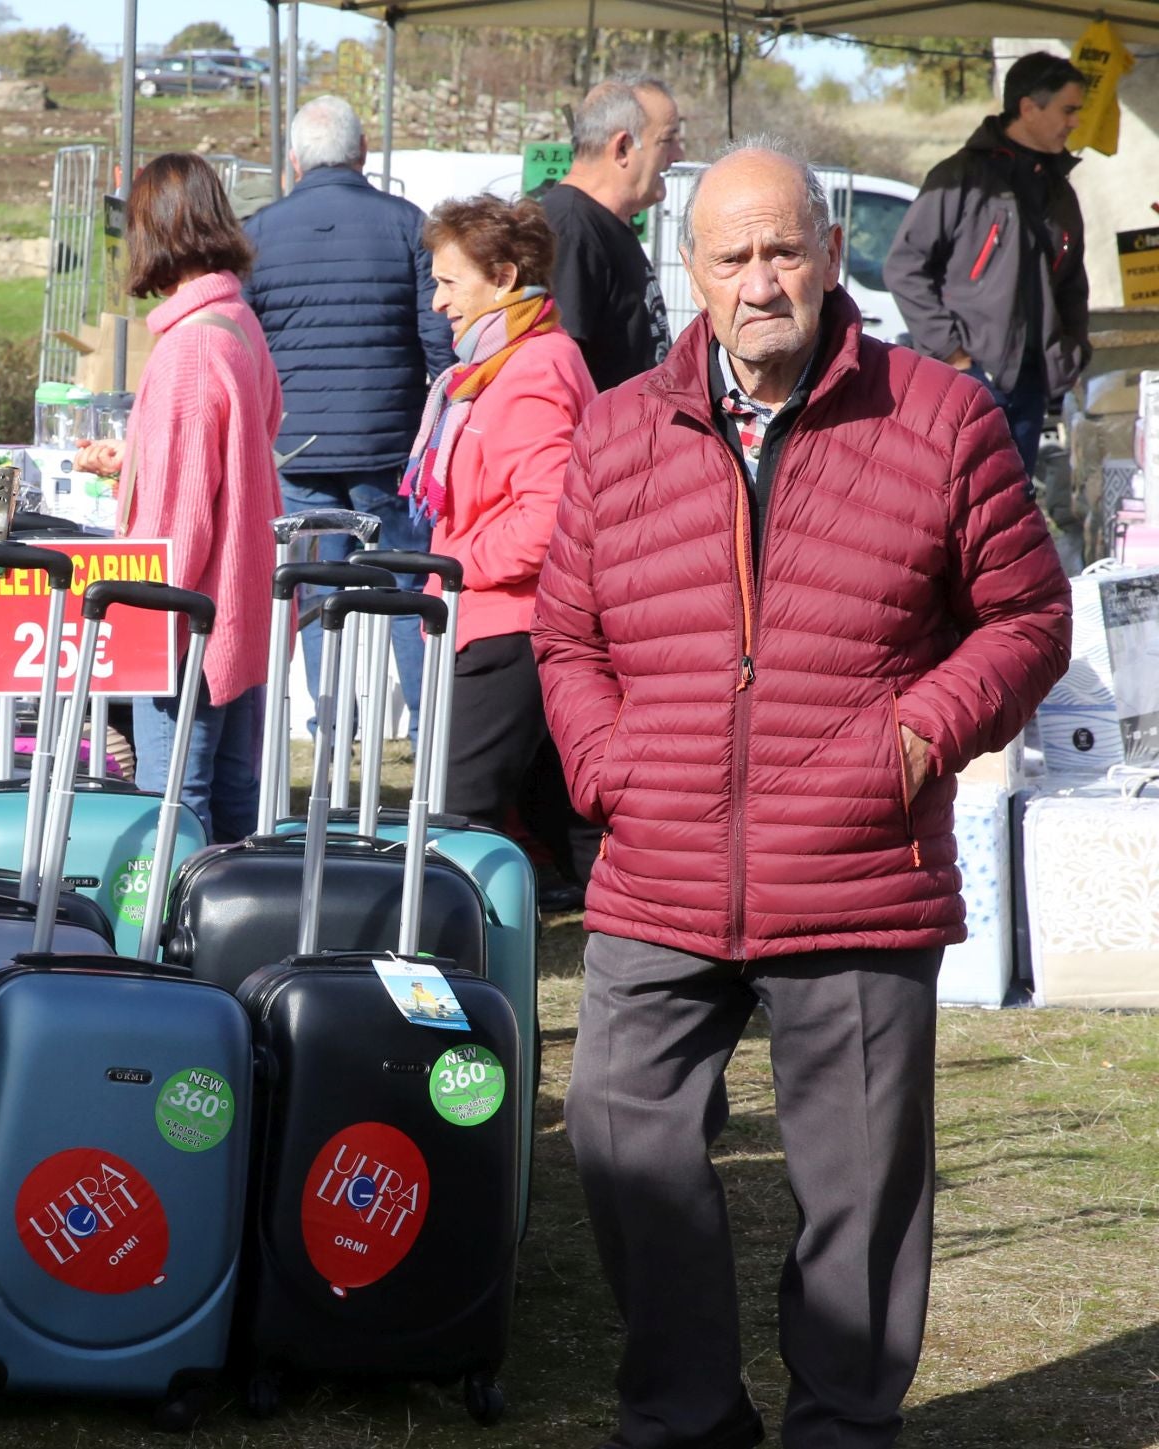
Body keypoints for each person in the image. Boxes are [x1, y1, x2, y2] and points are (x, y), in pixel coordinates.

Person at [533, 141, 1071, 1449]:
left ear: (835, 259)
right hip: (660, 862)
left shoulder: (938, 418)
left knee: (861, 1189)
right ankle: (685, 1412)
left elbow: (1026, 617)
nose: (763, 279)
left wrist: (917, 737)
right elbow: (566, 633)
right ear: (694, 273)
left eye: (787, 250)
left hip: (857, 867)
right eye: (735, 257)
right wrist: (608, 766)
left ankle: (840, 1421)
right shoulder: (615, 430)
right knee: (619, 1132)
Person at [76, 154, 284, 843]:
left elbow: (181, 522)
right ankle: (225, 944)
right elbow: (243, 449)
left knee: (173, 809)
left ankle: (171, 949)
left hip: (185, 619)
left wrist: (131, 620)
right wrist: (138, 459)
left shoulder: (188, 349)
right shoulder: (236, 322)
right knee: (228, 802)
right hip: (237, 606)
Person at [243, 95, 455, 745]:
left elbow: (248, 347)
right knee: (406, 589)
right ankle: (425, 731)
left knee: (316, 593)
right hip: (387, 445)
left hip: (296, 447)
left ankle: (332, 729)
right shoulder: (407, 226)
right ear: (363, 154)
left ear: (293, 163)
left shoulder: (256, 233)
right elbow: (439, 344)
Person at [403, 195, 594, 840]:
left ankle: (458, 940)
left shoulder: (532, 368)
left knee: (459, 815)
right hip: (496, 619)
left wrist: (460, 566)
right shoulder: (499, 364)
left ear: (505, 277)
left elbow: (548, 517)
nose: (437, 302)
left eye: (450, 282)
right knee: (549, 820)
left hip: (509, 627)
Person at [884, 51, 1089, 486]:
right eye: (1068, 110)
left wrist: (1071, 355)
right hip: (965, 385)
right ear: (1029, 107)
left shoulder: (1060, 191)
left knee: (1012, 517)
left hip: (1031, 390)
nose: (1075, 122)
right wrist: (955, 357)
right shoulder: (960, 177)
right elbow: (904, 268)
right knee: (955, 514)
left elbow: (1072, 286)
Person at [539, 75, 685, 392]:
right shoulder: (570, 227)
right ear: (622, 148)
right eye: (667, 140)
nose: (678, 154)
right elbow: (555, 374)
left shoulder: (602, 222)